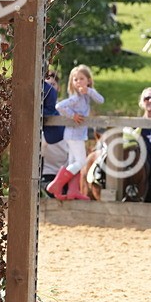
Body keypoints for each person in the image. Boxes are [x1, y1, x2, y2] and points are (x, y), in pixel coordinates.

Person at [46, 64, 104, 200]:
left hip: (78, 134)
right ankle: (56, 184)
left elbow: (101, 100)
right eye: (75, 79)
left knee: (72, 162)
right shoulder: (76, 97)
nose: (78, 82)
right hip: (73, 134)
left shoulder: (85, 96)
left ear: (88, 80)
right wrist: (73, 116)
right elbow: (59, 106)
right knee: (81, 162)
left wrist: (88, 91)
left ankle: (73, 190)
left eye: (81, 79)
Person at [40, 70, 69, 185]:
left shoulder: (65, 109)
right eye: (47, 85)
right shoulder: (40, 110)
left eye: (52, 85)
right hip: (47, 168)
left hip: (65, 163)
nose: (49, 89)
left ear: (58, 88)